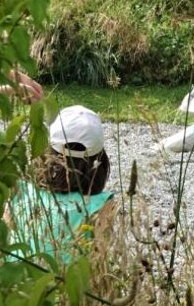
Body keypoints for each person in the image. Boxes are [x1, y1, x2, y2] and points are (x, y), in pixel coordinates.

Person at [7, 105, 114, 263]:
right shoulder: (101, 205)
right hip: (71, 279)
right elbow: (101, 261)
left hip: (18, 277)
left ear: (47, 154)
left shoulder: (21, 190)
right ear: (100, 161)